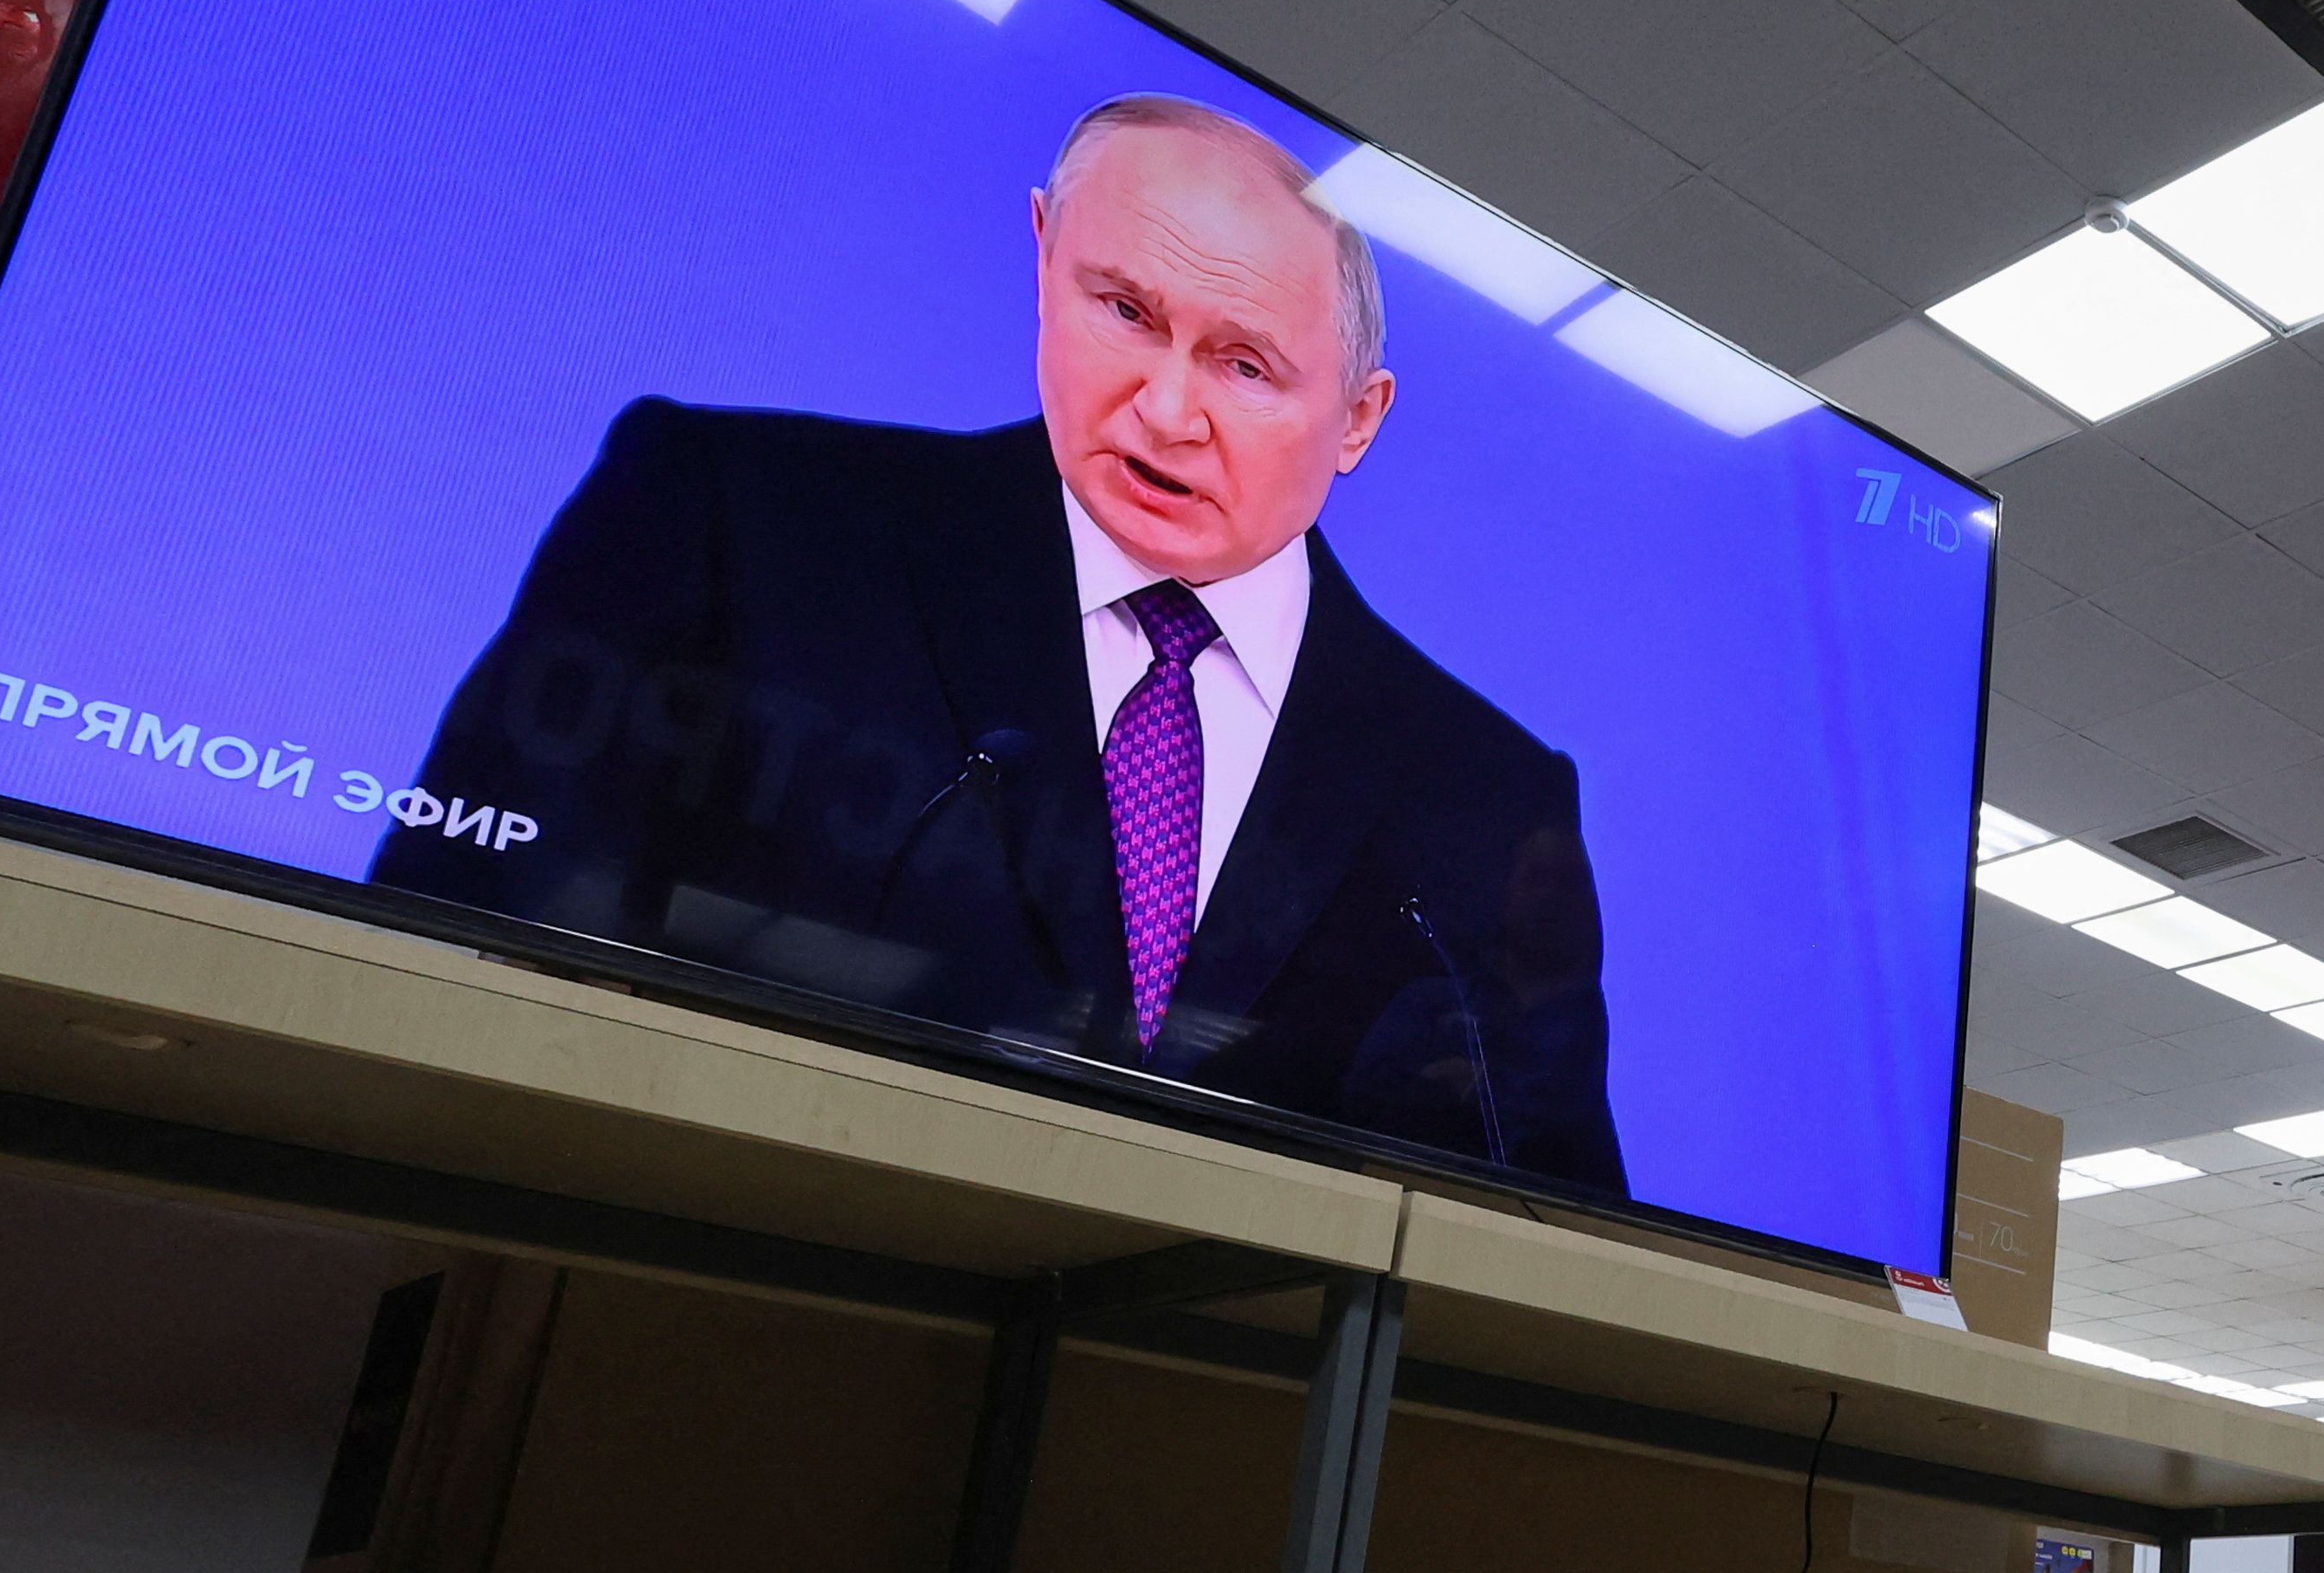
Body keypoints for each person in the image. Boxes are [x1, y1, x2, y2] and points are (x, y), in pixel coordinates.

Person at [375, 94, 1624, 1193]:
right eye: (1124, 311)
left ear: (1357, 419)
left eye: (1245, 366)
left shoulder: (1487, 794)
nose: (1167, 410)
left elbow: (1549, 1225)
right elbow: (442, 949)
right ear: (1043, 257)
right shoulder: (732, 519)